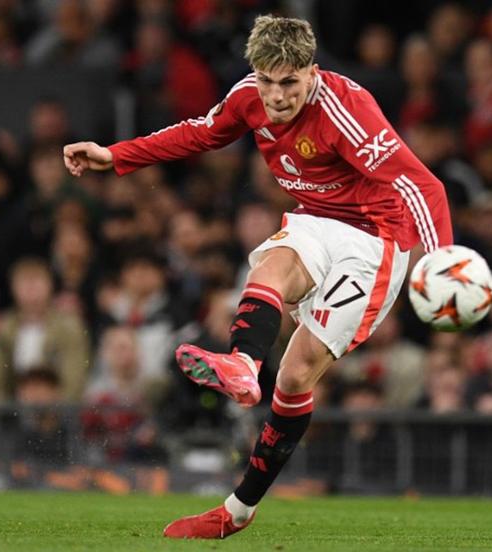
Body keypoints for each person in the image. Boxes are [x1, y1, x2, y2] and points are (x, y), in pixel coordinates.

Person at [63, 15, 452, 539]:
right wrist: (116, 154)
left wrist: (444, 263)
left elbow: (420, 185)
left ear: (312, 73)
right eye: (267, 80)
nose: (276, 95)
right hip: (316, 219)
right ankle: (243, 362)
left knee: (293, 379)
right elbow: (201, 133)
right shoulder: (249, 94)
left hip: (377, 238)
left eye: (289, 82)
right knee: (274, 263)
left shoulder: (346, 111)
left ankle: (237, 510)